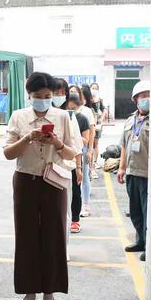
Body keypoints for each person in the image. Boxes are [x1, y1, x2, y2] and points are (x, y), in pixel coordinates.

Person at [4, 72, 77, 300]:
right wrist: (27, 138)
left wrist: (55, 142)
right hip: (25, 180)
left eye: (47, 96)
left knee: (53, 234)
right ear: (29, 95)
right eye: (37, 96)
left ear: (54, 95)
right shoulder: (18, 116)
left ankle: (50, 293)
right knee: (26, 234)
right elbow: (8, 153)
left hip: (53, 180)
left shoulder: (63, 116)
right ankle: (29, 291)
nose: (43, 100)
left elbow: (71, 153)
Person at [117, 80, 150, 262]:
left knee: (147, 212)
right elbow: (123, 145)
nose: (147, 99)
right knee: (135, 210)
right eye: (143, 96)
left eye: (149, 95)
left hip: (147, 173)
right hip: (131, 172)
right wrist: (121, 168)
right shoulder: (131, 120)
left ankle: (147, 244)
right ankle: (139, 241)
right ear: (135, 99)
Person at [52, 79, 84, 243]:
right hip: (47, 169)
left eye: (62, 93)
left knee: (64, 210)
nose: (59, 96)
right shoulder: (45, 114)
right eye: (56, 93)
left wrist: (78, 168)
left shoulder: (70, 116)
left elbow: (77, 144)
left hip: (66, 168)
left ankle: (63, 247)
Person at [69, 85, 95, 217]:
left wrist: (90, 151)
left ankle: (85, 205)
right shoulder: (63, 112)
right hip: (68, 150)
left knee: (83, 177)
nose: (72, 93)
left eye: (74, 92)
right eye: (70, 91)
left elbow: (91, 133)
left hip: (82, 149)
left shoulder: (86, 112)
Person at [67, 90, 90, 234]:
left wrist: (73, 137)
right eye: (68, 108)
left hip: (76, 158)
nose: (71, 111)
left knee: (76, 191)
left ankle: (75, 220)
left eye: (73, 108)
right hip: (61, 161)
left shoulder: (82, 119)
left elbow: (86, 140)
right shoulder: (60, 117)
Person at [89, 82, 106, 177]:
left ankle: (94, 162)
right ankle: (91, 166)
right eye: (92, 88)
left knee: (96, 144)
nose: (94, 90)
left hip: (98, 125)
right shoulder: (88, 100)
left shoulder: (99, 100)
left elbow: (104, 110)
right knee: (90, 144)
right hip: (90, 125)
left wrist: (101, 120)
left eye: (96, 88)